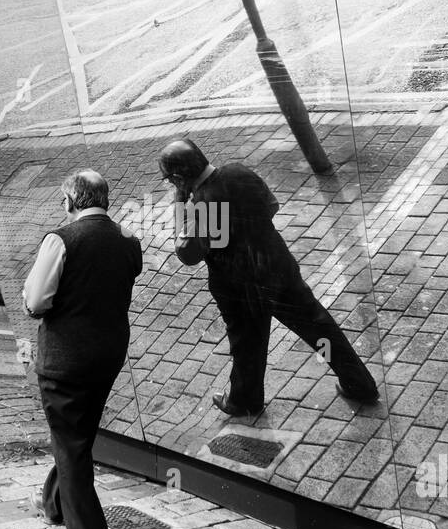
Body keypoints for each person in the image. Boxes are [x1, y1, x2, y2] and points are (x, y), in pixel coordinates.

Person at [159, 138, 380, 417]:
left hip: (240, 289)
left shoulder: (201, 207)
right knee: (319, 328)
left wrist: (181, 204)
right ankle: (359, 383)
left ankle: (244, 401)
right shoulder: (239, 172)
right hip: (277, 268)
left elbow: (187, 254)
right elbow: (271, 206)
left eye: (171, 181)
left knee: (247, 344)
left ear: (179, 177)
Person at [23, 169, 142, 529]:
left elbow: (36, 301)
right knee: (77, 435)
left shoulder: (61, 239)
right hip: (107, 355)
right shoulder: (128, 240)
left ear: (73, 200)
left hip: (66, 360)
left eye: (64, 199)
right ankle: (54, 505)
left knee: (73, 446)